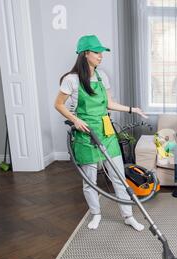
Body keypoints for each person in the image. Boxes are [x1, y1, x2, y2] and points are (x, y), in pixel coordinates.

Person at [55, 35, 148, 231]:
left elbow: (109, 104)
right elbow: (58, 105)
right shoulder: (71, 80)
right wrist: (76, 120)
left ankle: (128, 216)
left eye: (101, 52)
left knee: (119, 176)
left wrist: (133, 109)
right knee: (90, 180)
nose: (101, 56)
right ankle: (96, 214)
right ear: (85, 54)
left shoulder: (101, 76)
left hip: (106, 131)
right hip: (85, 133)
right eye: (97, 52)